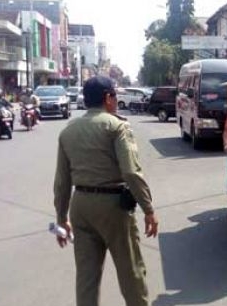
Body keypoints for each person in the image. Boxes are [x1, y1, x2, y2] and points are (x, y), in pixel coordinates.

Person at [53, 76, 158, 306]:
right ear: (108, 98)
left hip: (79, 206)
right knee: (131, 273)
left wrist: (61, 219)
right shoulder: (117, 126)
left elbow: (61, 182)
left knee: (87, 278)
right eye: (115, 96)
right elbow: (131, 172)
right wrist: (148, 209)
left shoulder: (68, 131)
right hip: (113, 207)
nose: (117, 101)